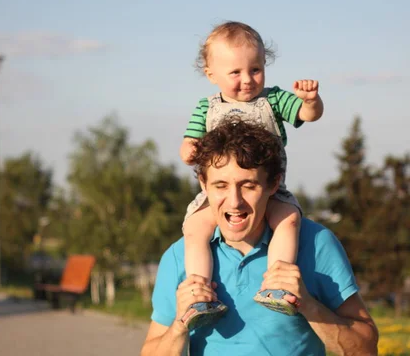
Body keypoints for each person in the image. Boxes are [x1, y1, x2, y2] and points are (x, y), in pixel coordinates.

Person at [141, 118, 379, 356]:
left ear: (274, 184)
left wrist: (307, 304)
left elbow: (365, 349)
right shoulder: (178, 255)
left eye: (248, 185)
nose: (234, 202)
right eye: (220, 185)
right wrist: (180, 325)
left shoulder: (316, 243)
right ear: (204, 185)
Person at [179, 21, 325, 327]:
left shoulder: (272, 100)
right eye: (235, 73)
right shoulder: (205, 108)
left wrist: (310, 101)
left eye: (255, 70)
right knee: (194, 229)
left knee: (288, 220)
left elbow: (307, 115)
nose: (247, 80)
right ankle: (200, 294)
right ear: (211, 74)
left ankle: (277, 282)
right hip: (219, 195)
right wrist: (191, 151)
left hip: (269, 191)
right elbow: (188, 144)